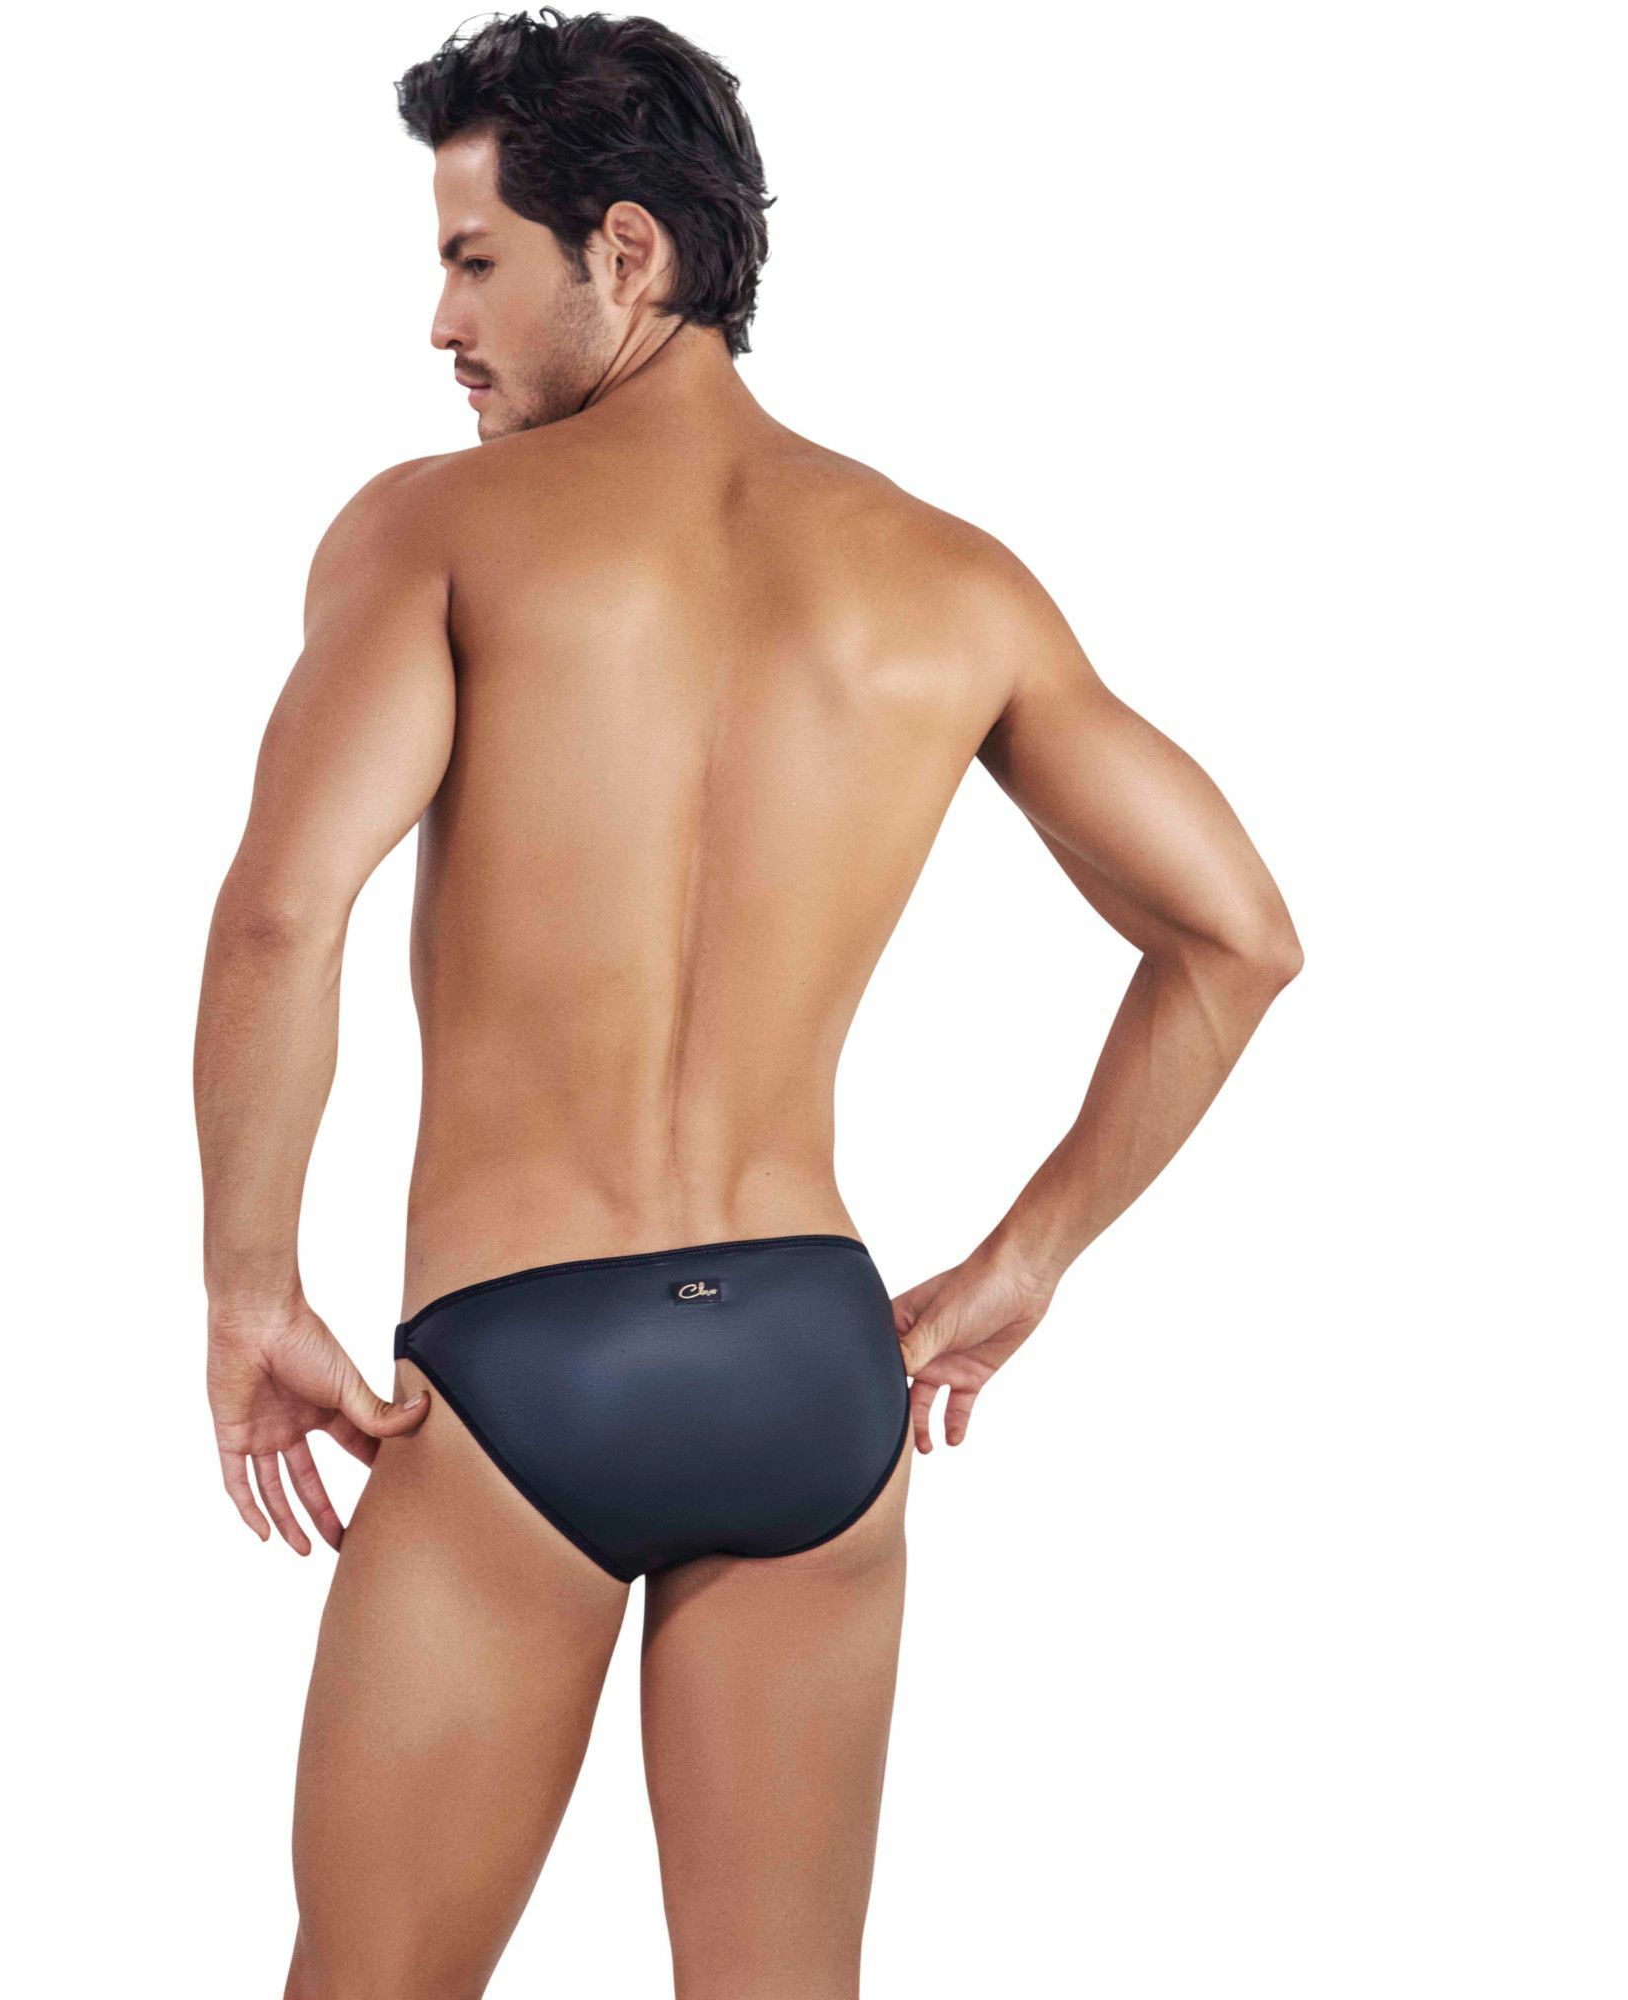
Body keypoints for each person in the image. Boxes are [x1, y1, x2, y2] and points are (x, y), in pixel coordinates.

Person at [192, 10, 1302, 1995]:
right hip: (811, 1363)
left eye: (472, 261)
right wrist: (1028, 1257)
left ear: (623, 252)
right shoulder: (951, 579)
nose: (440, 325)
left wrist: (252, 1285)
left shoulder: (434, 531)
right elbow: (1237, 936)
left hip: (520, 1366)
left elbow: (284, 916)